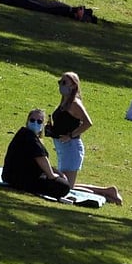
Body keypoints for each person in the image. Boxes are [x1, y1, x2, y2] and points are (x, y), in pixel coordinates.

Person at [46, 72, 122, 204]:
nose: (61, 85)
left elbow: (88, 123)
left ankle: (106, 194)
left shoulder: (74, 103)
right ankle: (107, 191)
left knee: (67, 188)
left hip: (71, 148)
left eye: (64, 82)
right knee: (67, 185)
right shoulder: (64, 101)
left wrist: (70, 135)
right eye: (60, 82)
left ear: (73, 85)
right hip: (62, 148)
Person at [2, 109, 73, 199]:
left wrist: (58, 172)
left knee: (61, 181)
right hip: (20, 179)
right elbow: (41, 158)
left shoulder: (30, 137)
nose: (35, 123)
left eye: (39, 121)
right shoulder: (28, 137)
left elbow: (42, 162)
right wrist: (52, 176)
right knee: (63, 186)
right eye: (32, 120)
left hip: (18, 176)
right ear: (27, 121)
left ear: (43, 125)